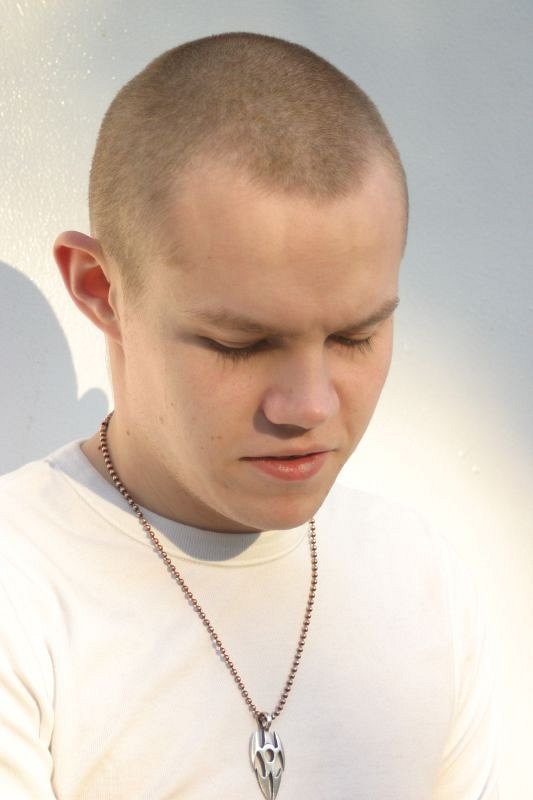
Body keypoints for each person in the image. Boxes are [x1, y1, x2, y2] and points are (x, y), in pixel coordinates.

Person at [0, 32, 498, 799]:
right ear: (102, 290)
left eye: (355, 336)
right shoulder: (22, 589)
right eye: (241, 343)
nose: (309, 406)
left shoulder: (418, 579)